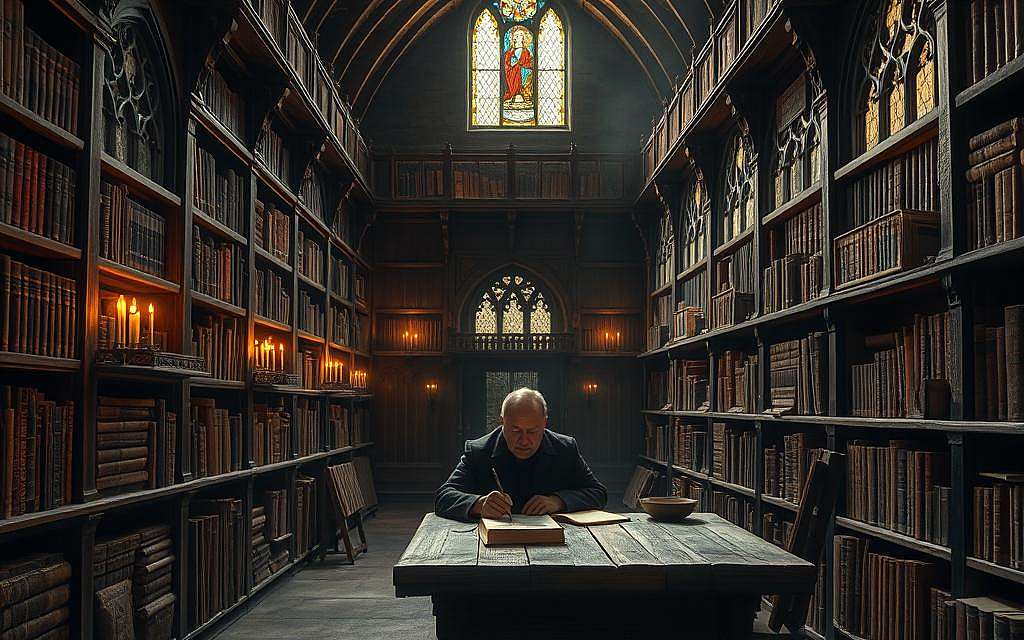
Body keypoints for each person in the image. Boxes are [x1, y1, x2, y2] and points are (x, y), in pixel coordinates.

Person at [434, 388, 607, 522]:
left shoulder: (565, 448)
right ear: (502, 422)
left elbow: (598, 493)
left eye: (532, 431)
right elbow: (443, 497)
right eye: (515, 430)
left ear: (544, 422)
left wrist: (558, 501)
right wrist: (479, 504)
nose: (524, 441)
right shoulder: (479, 451)